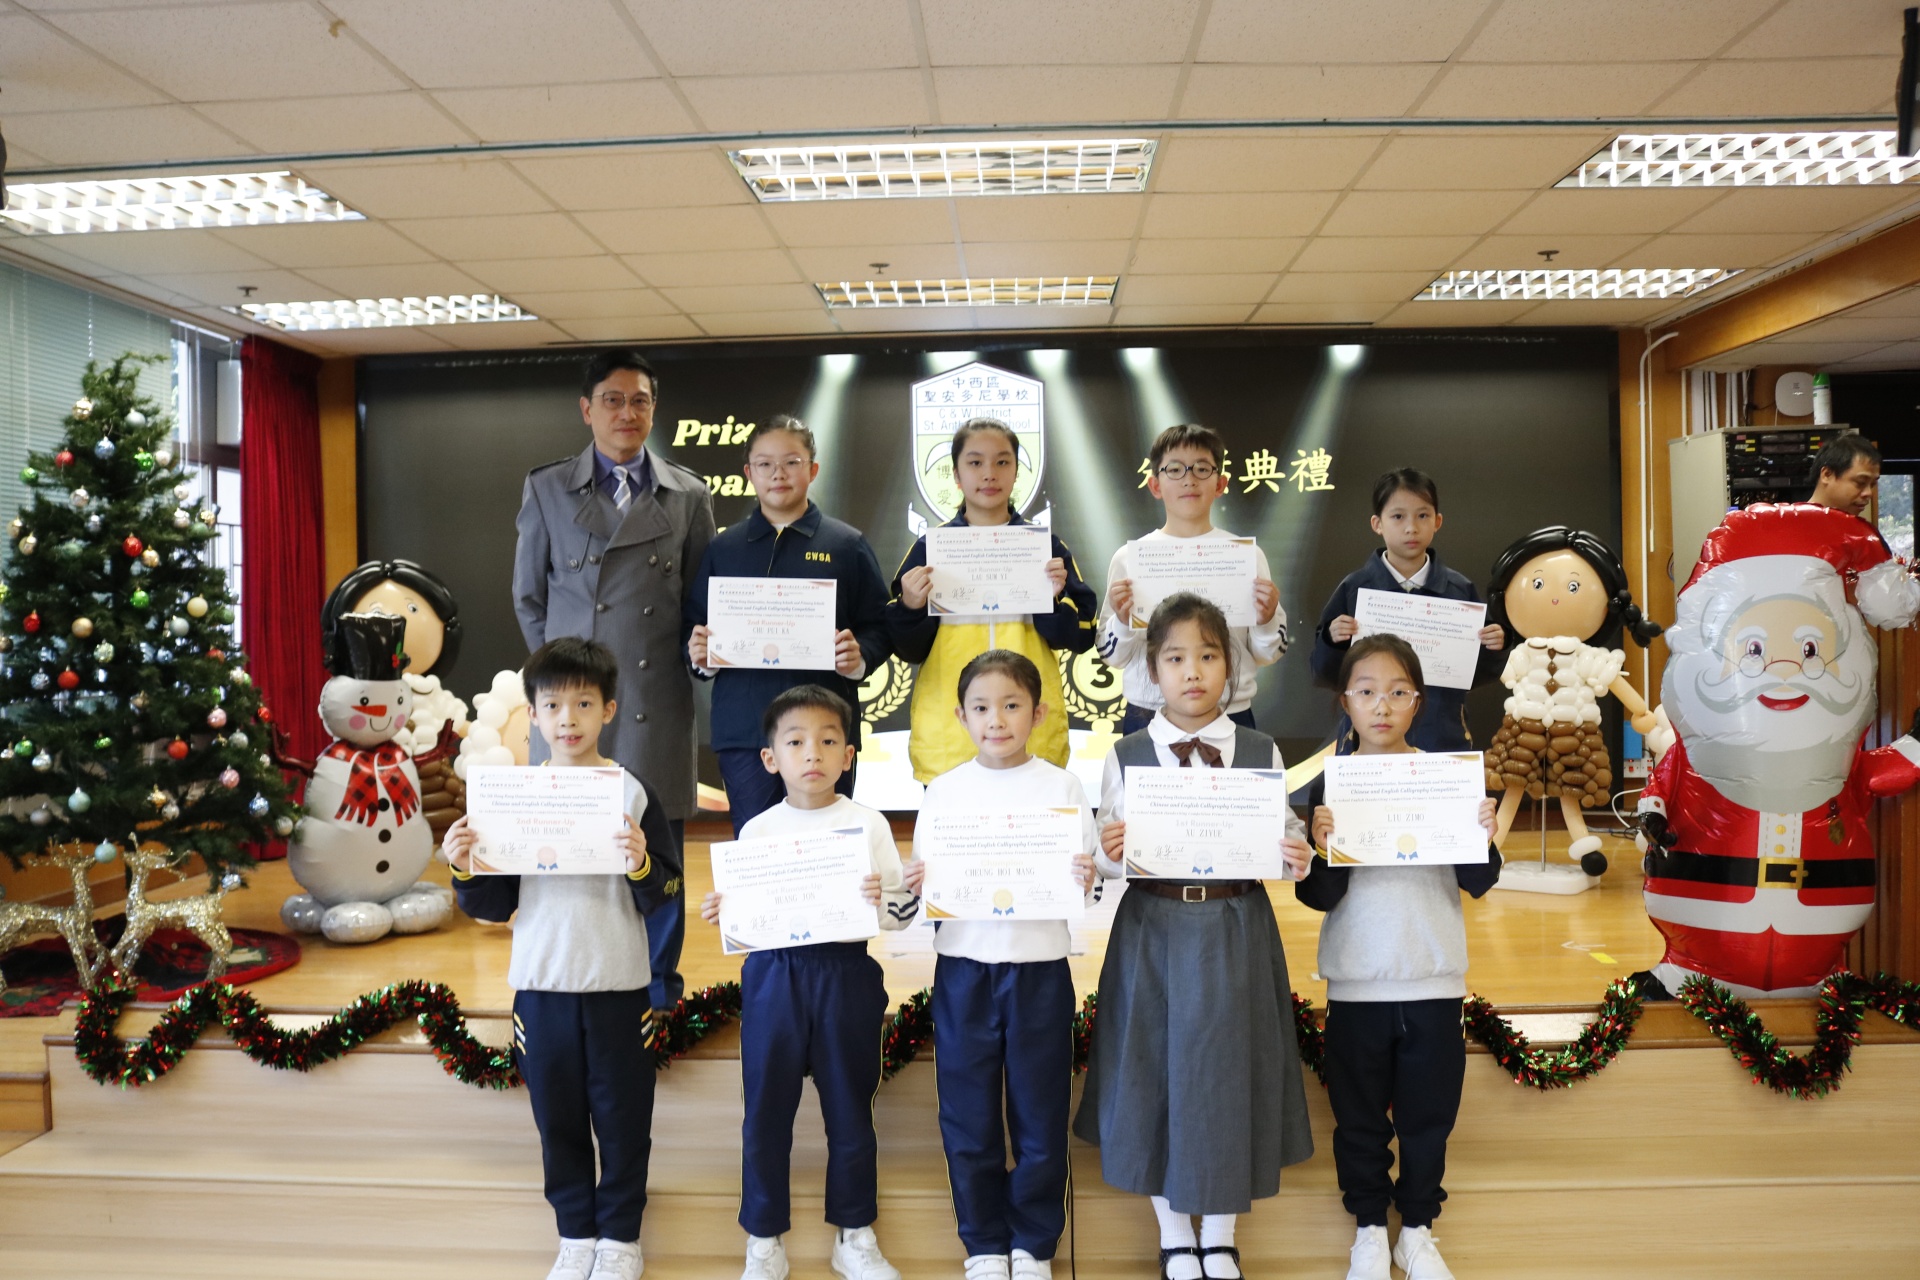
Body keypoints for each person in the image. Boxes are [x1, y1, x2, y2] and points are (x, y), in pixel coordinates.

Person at [1074, 593, 1315, 1280]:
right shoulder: (1127, 752)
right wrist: (1108, 853)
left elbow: (1285, 843)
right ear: (1152, 669)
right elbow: (1108, 856)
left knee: (1231, 1069)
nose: (1192, 671)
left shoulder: (1261, 749)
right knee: (1153, 1069)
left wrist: (1297, 855)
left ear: (1229, 667)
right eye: (1176, 658)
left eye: (1208, 656)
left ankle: (1222, 1234)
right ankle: (1176, 1232)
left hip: (1237, 925)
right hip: (1153, 930)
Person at [442, 638, 681, 1280]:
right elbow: (494, 904)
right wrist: (465, 866)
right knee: (559, 1121)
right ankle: (576, 1234)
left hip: (618, 987)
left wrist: (642, 864)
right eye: (552, 705)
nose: (567, 719)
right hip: (542, 988)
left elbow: (668, 892)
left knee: (624, 1122)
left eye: (583, 703)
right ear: (533, 714)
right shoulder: (514, 797)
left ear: (609, 710)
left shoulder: (632, 793)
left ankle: (621, 1237)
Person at [513, 349, 715, 1020]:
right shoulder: (547, 488)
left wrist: (702, 652)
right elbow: (529, 598)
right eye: (612, 399)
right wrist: (563, 687)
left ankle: (658, 990)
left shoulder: (689, 494)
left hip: (654, 702)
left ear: (653, 410)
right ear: (587, 409)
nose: (627, 413)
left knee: (658, 851)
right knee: (567, 850)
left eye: (640, 401)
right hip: (574, 710)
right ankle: (567, 977)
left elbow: (699, 605)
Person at [1295, 634, 1501, 1280]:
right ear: (1345, 703)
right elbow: (1318, 896)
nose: (1381, 705)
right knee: (1358, 1119)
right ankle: (1367, 1230)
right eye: (1365, 692)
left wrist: (1483, 833)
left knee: (1427, 1118)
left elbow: (1479, 882)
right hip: (1358, 981)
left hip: (1433, 978)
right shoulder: (1332, 786)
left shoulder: (1446, 779)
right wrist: (1322, 846)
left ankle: (1416, 1232)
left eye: (1397, 692)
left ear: (1418, 702)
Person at [698, 685, 919, 1280]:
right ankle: (763, 1237)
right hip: (774, 977)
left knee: (850, 1110)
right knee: (765, 1113)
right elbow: (748, 918)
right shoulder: (757, 831)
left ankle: (854, 1233)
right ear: (770, 758)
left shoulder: (868, 823)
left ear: (849, 755)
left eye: (827, 741)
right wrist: (727, 912)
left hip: (846, 974)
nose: (812, 754)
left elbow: (901, 913)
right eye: (795, 742)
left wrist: (883, 897)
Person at [901, 650, 1097, 1280]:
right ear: (961, 717)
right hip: (963, 970)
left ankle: (1034, 1243)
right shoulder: (943, 791)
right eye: (982, 708)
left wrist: (1087, 877)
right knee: (968, 1114)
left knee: (1040, 1111)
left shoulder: (1063, 787)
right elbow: (921, 893)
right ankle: (983, 1241)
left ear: (1038, 714)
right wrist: (916, 883)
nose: (997, 720)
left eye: (1012, 705)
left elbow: (1089, 885)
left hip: (1040, 969)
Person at [685, 414, 891, 835]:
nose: (778, 474)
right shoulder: (724, 548)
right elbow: (695, 624)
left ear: (813, 469)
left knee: (829, 846)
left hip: (825, 731)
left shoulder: (846, 545)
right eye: (765, 464)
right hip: (746, 731)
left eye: (791, 462)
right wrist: (701, 655)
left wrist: (859, 658)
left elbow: (880, 625)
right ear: (749, 474)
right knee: (758, 844)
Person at [886, 418, 1098, 782]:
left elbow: (1081, 636)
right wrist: (911, 605)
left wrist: (1053, 600)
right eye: (975, 462)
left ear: (1017, 472)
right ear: (956, 475)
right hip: (950, 736)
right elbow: (907, 648)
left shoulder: (1045, 547)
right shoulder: (930, 549)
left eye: (1002, 462)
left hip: (1031, 736)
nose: (989, 474)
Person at [1096, 423, 1287, 734]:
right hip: (1149, 713)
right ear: (1155, 485)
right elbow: (1112, 656)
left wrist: (1266, 620)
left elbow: (1269, 653)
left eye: (1202, 469)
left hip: (1230, 712)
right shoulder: (1129, 559)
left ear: (1220, 484)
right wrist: (1121, 620)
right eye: (1174, 470)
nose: (1189, 479)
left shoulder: (1247, 557)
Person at [1309, 468, 1505, 752]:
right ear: (1377, 523)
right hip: (1369, 739)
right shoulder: (1354, 589)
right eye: (1398, 517)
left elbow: (1475, 673)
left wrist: (1494, 647)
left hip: (1441, 733)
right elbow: (1324, 672)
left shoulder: (1459, 590)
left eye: (1422, 516)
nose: (1411, 527)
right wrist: (1333, 639)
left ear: (1438, 521)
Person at [1805, 434, 1881, 518]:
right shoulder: (1795, 523)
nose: (1869, 493)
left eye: (1873, 484)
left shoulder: (1859, 526)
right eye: (1861, 482)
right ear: (1827, 474)